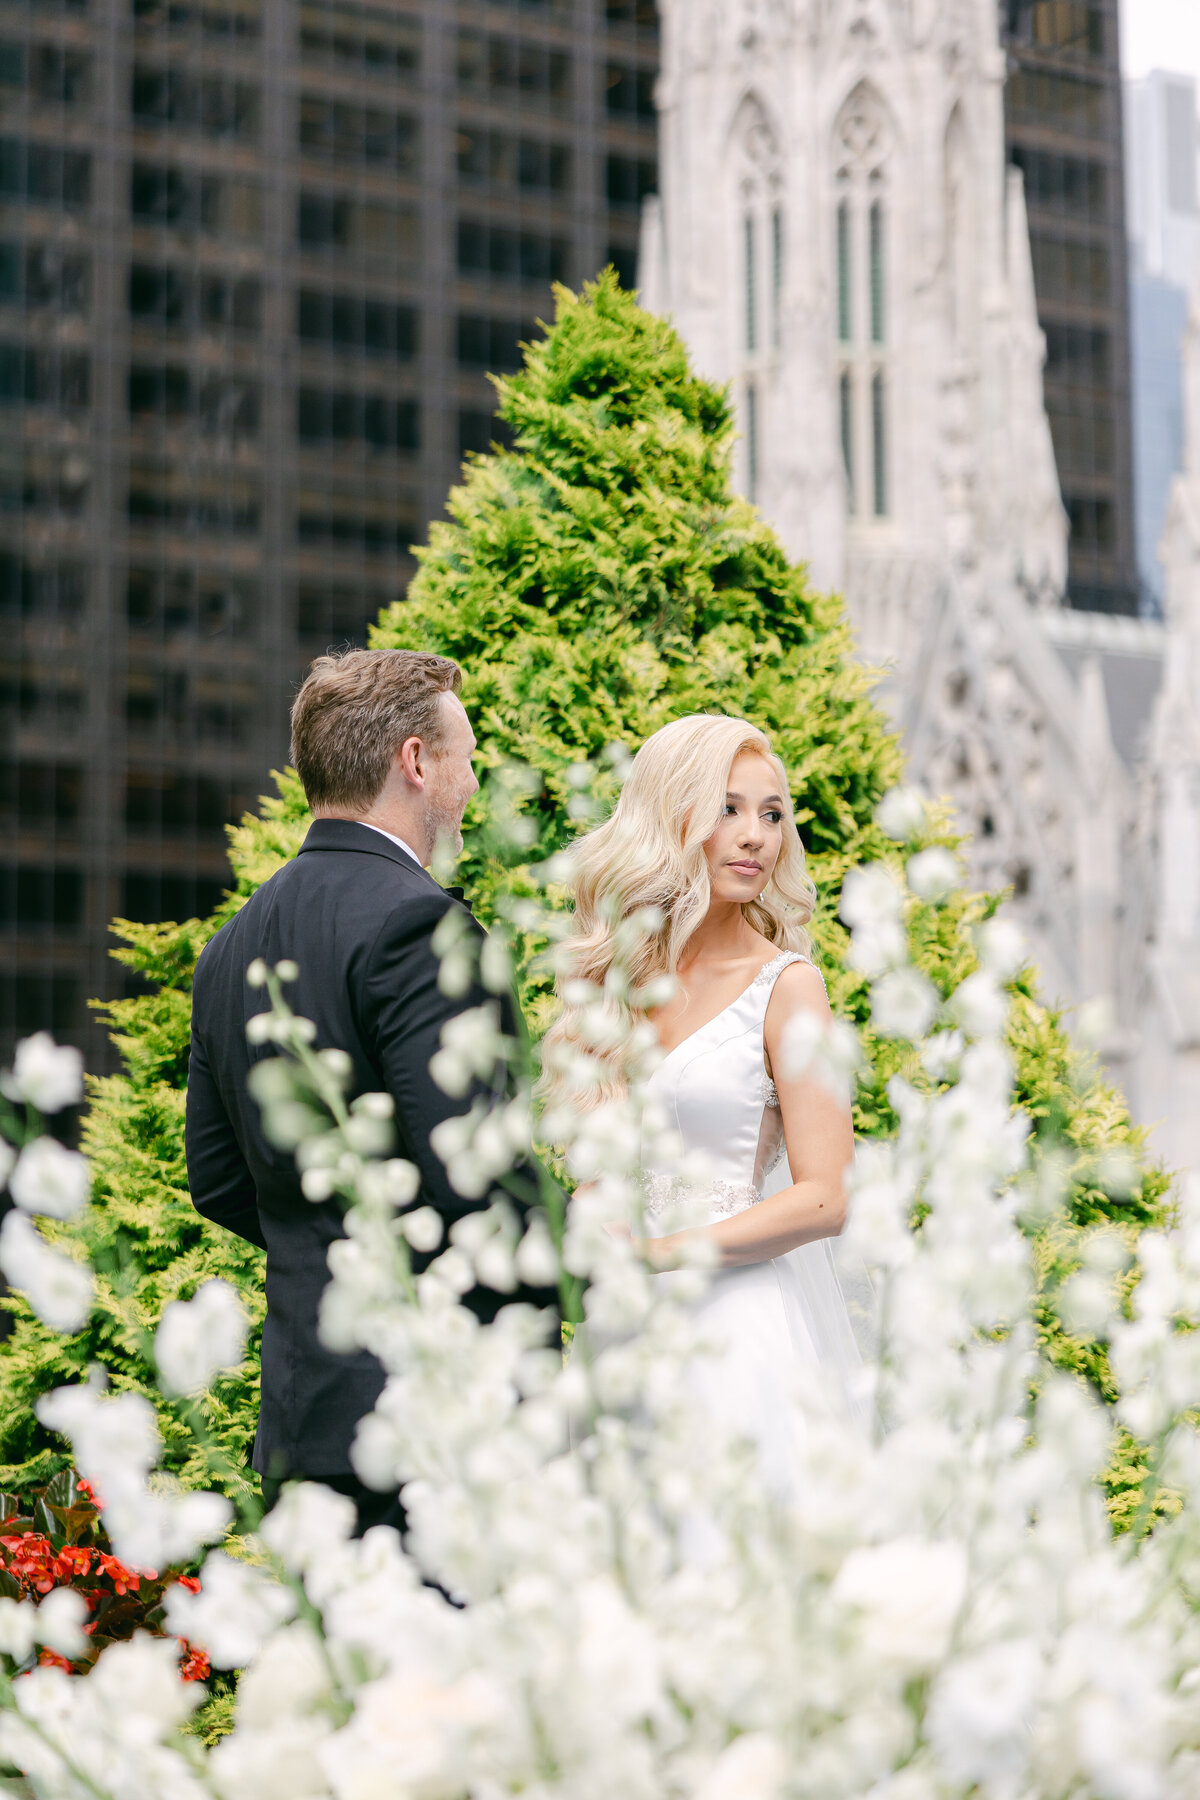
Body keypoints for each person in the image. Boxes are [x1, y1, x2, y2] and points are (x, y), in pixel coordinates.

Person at [185, 648, 557, 1533]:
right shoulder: (420, 922)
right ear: (416, 762)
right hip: (434, 1424)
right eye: (465, 757)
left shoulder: (230, 946)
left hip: (304, 1413)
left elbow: (219, 1179)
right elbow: (475, 1182)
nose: (472, 781)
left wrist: (337, 1252)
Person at [545, 713, 860, 1490]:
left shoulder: (788, 988)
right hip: (621, 1341)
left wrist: (658, 1255)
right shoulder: (613, 986)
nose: (755, 834)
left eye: (772, 813)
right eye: (728, 808)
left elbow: (826, 1199)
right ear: (670, 817)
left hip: (738, 1339)